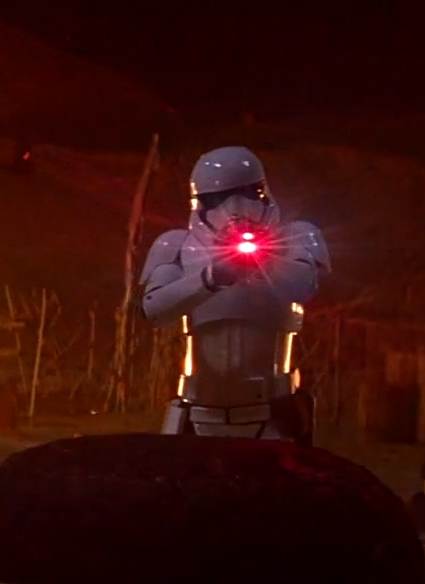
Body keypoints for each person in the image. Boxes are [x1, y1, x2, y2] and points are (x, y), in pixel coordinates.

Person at [139, 146, 329, 443]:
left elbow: (303, 286)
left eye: (248, 194)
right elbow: (154, 309)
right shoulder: (178, 246)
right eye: (218, 199)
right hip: (199, 410)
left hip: (273, 412)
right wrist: (210, 278)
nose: (236, 208)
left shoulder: (295, 237)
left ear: (263, 193)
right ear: (200, 203)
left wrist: (266, 261)